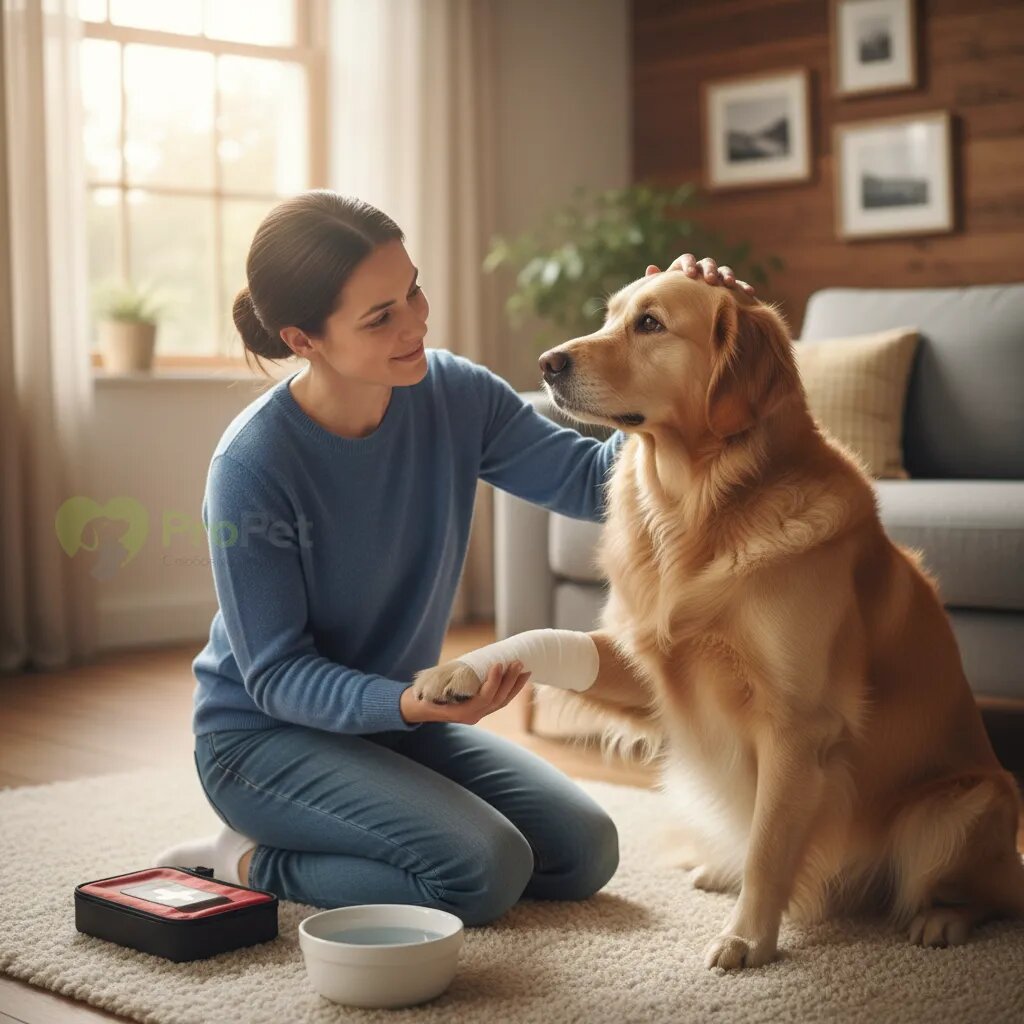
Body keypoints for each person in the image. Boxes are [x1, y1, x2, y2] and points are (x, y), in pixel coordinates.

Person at [154, 189, 754, 926]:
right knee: (481, 872)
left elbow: (593, 480)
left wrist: (689, 340)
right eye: (381, 317)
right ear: (304, 339)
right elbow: (275, 675)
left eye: (412, 291)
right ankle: (245, 858)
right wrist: (407, 702)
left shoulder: (452, 393)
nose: (415, 323)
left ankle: (362, 825)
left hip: (392, 726)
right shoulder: (252, 466)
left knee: (582, 852)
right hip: (262, 743)